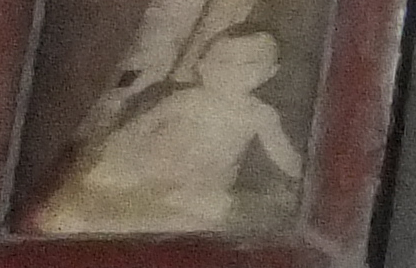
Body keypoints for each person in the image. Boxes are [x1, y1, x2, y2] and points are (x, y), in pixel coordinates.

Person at [29, 28, 301, 234]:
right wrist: (120, 145)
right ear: (202, 66)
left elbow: (282, 152)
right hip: (154, 165)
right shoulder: (186, 99)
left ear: (270, 72)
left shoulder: (261, 114)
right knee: (105, 177)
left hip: (200, 182)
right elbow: (143, 125)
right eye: (223, 61)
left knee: (206, 215)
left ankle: (122, 228)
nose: (233, 70)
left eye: (250, 63)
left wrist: (301, 174)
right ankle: (82, 219)